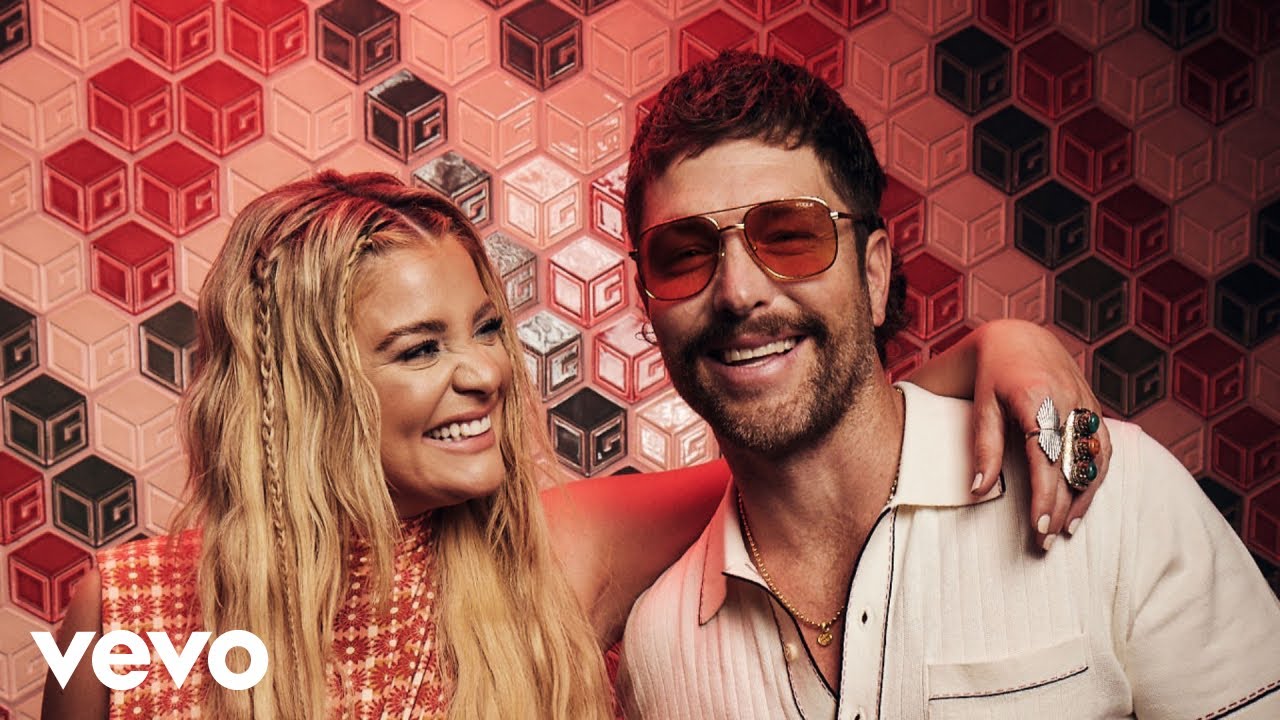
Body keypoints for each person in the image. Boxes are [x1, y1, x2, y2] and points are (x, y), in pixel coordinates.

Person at [42, 172, 1106, 719]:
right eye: (420, 347)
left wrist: (1000, 345)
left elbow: (823, 445)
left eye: (485, 330)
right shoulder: (123, 612)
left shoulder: (551, 557)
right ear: (301, 387)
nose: (486, 374)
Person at [617, 52, 1280, 719]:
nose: (737, 293)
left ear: (874, 275)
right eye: (684, 255)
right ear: (648, 303)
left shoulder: (1113, 494)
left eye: (790, 237)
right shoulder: (659, 649)